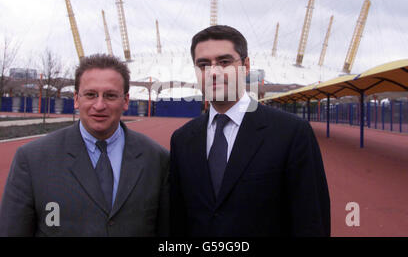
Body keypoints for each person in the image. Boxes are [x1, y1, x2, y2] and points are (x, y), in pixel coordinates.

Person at [170, 25, 330, 236]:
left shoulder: (292, 133)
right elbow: (177, 219)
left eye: (225, 62)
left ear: (246, 66)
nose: (214, 72)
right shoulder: (182, 140)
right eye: (203, 64)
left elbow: (311, 221)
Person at [0, 54, 169, 236]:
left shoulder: (157, 159)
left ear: (126, 101)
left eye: (110, 96)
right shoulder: (33, 159)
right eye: (90, 95)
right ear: (76, 99)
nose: (99, 105)